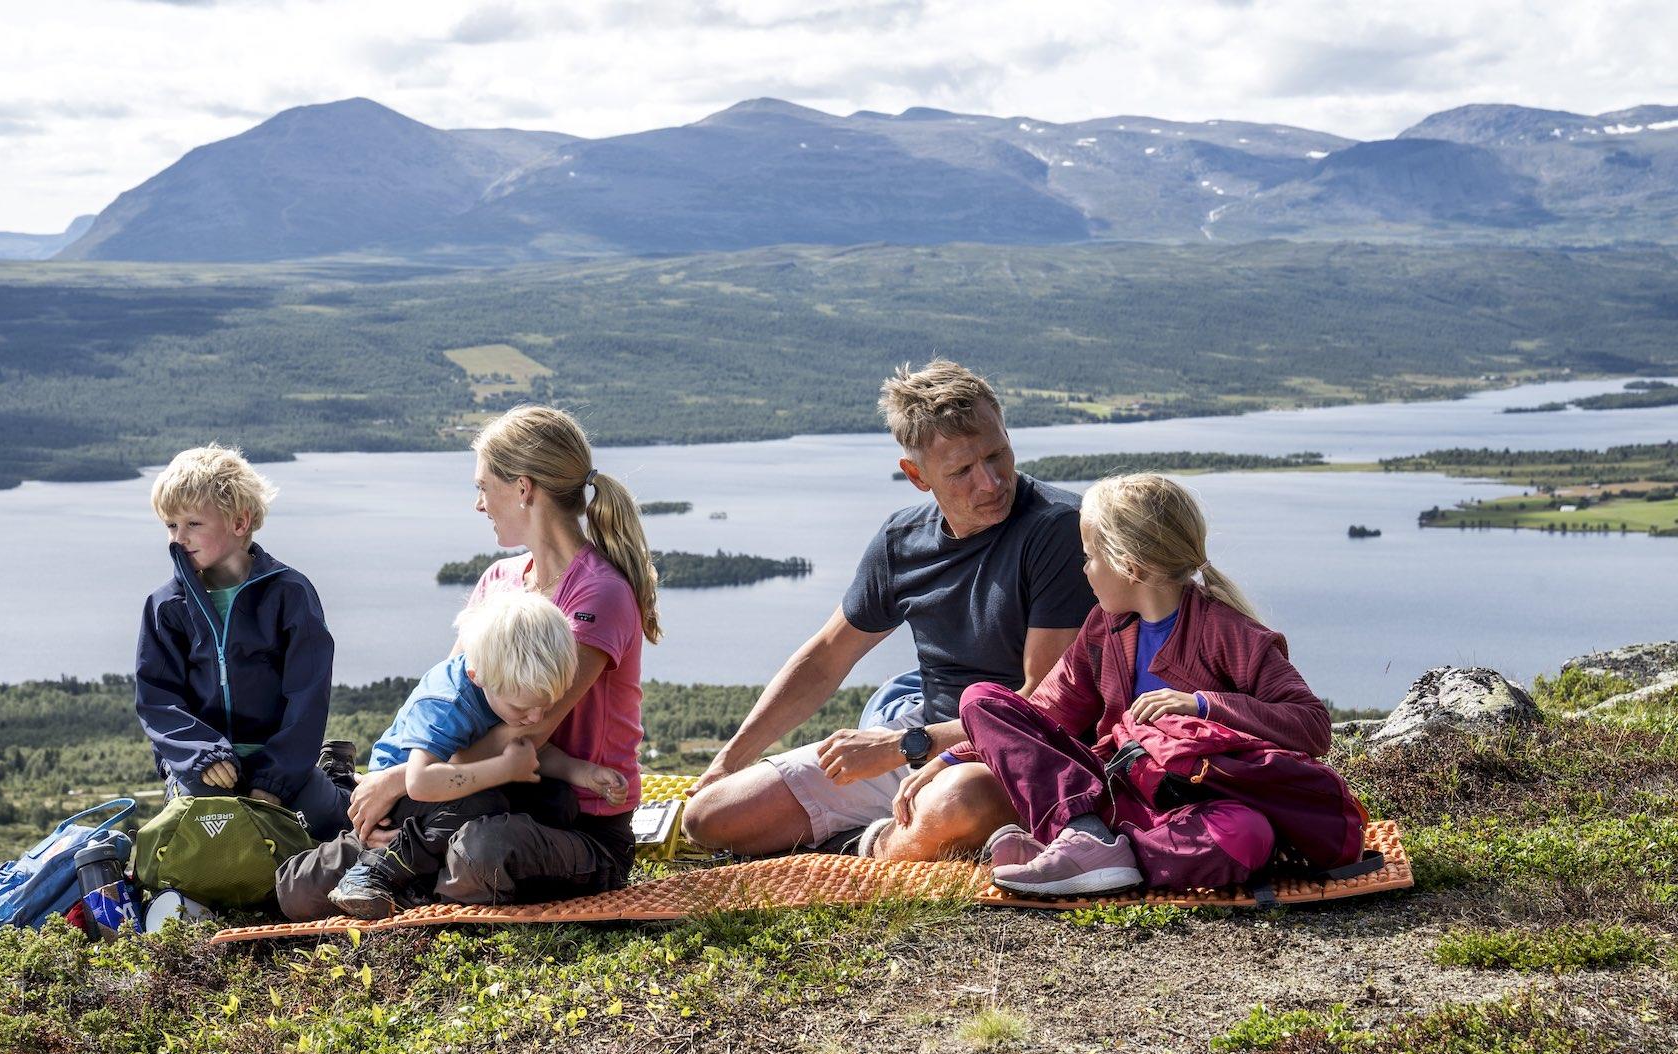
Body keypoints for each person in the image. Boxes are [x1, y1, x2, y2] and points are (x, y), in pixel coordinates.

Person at [682, 360, 1097, 860]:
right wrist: (730, 759)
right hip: (927, 738)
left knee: (958, 801)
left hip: (1018, 754)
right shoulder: (902, 540)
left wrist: (901, 747)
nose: (990, 483)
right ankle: (907, 840)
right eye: (962, 471)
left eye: (997, 454)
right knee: (710, 817)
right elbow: (825, 659)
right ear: (917, 476)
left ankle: (873, 845)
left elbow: (1038, 706)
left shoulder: (1057, 530)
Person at [278, 405, 658, 916]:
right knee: (304, 888)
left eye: (483, 486)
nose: (479, 504)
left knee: (477, 855)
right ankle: (392, 870)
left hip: (571, 818)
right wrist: (402, 781)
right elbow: (450, 697)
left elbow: (529, 733)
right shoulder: (499, 582)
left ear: (523, 488)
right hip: (472, 795)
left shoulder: (598, 594)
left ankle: (407, 877)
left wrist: (396, 782)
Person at [930, 473, 1364, 896]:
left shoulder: (1232, 634)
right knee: (981, 699)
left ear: (1129, 566)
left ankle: (1096, 853)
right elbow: (1044, 715)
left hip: (1189, 805)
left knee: (1246, 835)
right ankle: (1082, 835)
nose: (1084, 570)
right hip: (1112, 789)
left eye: (1089, 558)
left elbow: (1312, 726)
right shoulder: (1104, 627)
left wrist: (1204, 705)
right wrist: (951, 756)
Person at [317, 591, 628, 919]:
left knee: (558, 799)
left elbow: (531, 750)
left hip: (451, 784)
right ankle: (373, 872)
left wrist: (581, 772)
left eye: (545, 706)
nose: (536, 719)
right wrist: (506, 769)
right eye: (523, 708)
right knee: (483, 803)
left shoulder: (504, 690)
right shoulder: (447, 702)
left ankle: (431, 872)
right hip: (403, 800)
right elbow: (421, 781)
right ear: (477, 678)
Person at [134, 444, 349, 841]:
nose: (178, 538)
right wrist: (201, 755)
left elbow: (307, 695)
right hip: (202, 765)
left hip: (282, 760)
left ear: (239, 522)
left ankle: (335, 778)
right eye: (170, 525)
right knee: (208, 838)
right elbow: (157, 699)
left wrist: (276, 779)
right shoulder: (166, 606)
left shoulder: (290, 594)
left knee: (329, 822)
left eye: (193, 524)